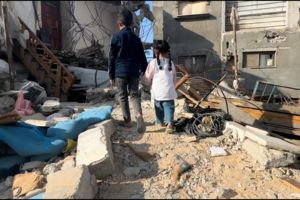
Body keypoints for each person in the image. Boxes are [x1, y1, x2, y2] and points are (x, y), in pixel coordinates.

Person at [108, 7, 148, 133]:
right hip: (134, 72)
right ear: (131, 23)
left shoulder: (116, 37)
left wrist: (111, 74)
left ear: (119, 23)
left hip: (120, 72)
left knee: (123, 96)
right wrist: (144, 70)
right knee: (134, 95)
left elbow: (111, 57)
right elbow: (142, 57)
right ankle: (139, 116)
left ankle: (128, 121)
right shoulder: (136, 39)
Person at [143, 40, 178, 134]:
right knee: (169, 107)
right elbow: (174, 78)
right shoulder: (171, 63)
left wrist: (145, 83)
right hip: (169, 91)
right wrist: (172, 87)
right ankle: (170, 124)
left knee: (158, 107)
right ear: (167, 51)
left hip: (157, 92)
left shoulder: (153, 63)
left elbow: (147, 77)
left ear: (155, 51)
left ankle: (160, 122)